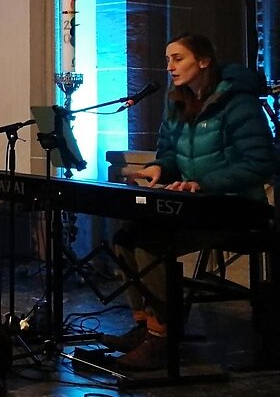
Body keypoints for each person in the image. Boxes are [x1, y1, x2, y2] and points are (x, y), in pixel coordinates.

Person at [102, 32, 276, 371]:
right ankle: (145, 327)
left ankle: (162, 338)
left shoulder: (239, 102)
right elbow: (169, 153)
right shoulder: (178, 101)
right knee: (126, 237)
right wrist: (158, 167)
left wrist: (203, 182)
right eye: (167, 60)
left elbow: (259, 162)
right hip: (199, 205)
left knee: (151, 244)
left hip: (239, 207)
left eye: (177, 58)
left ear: (204, 61)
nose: (169, 67)